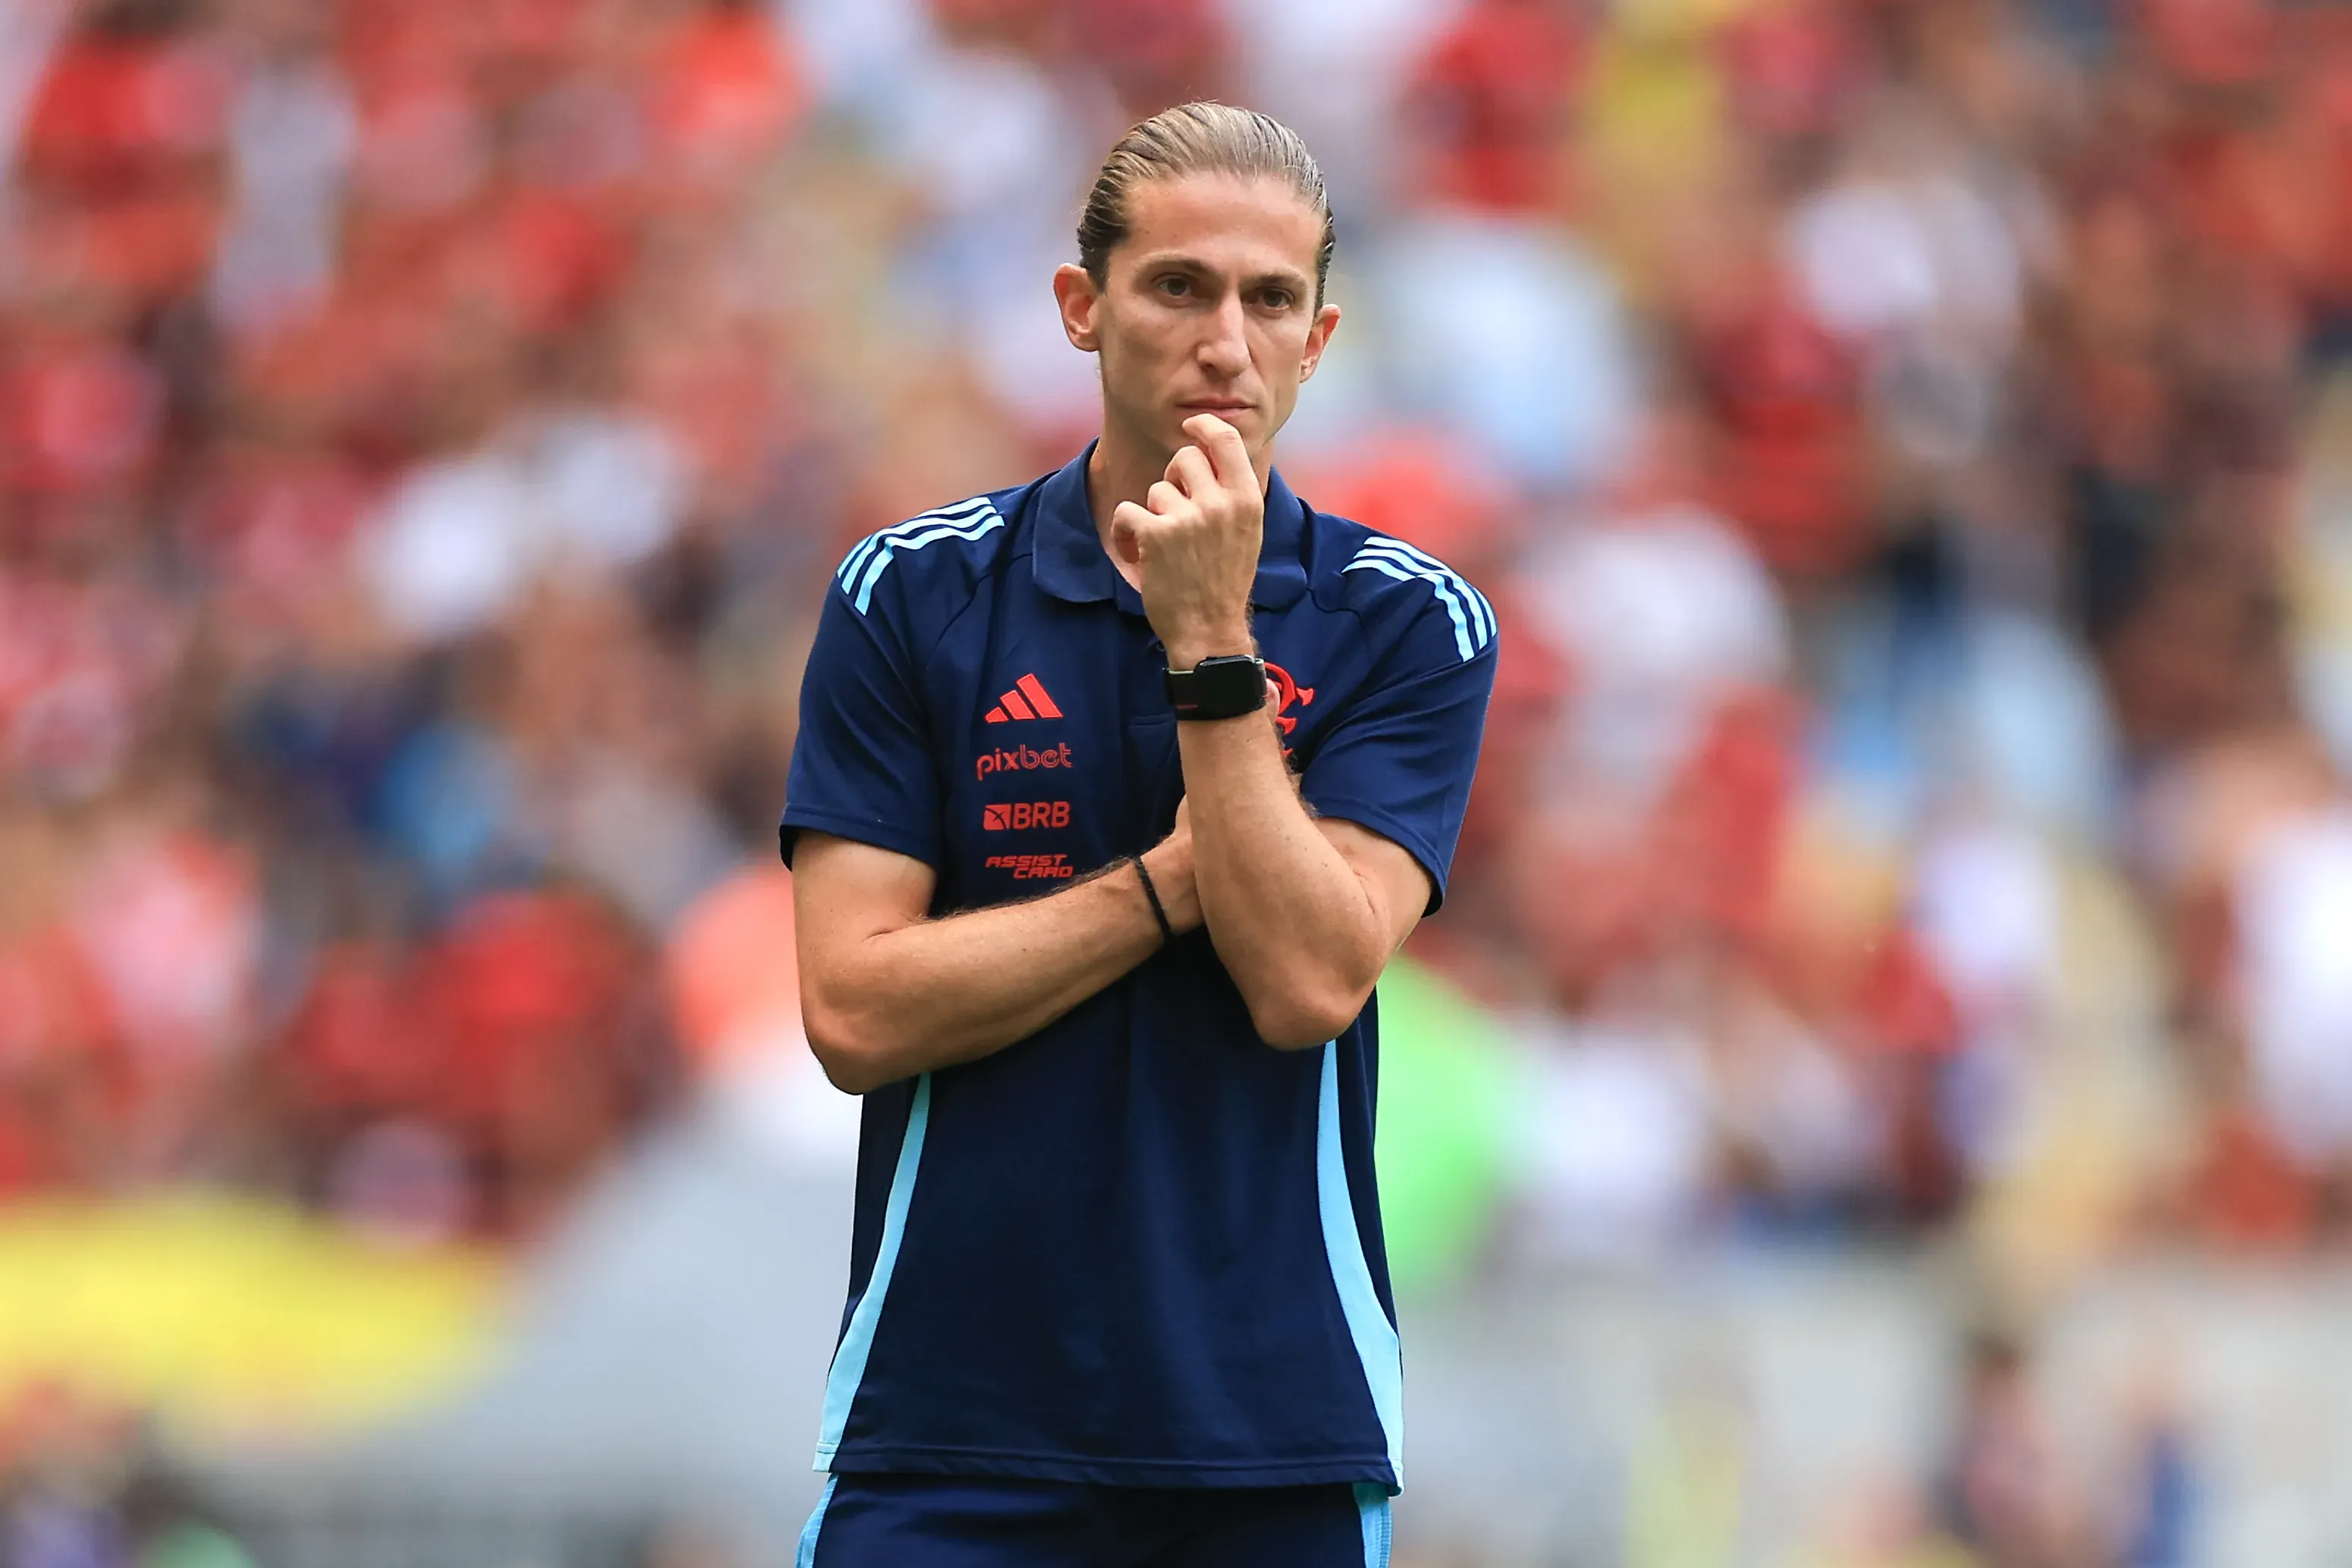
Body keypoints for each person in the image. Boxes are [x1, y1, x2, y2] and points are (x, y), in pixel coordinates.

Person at [780, 102, 1498, 1568]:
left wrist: (1213, 644)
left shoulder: (1406, 622)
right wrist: (1172, 887)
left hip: (1269, 1431)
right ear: (1080, 308)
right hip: (948, 1424)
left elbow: (1307, 983)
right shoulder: (907, 596)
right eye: (1178, 285)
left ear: (1320, 337)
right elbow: (853, 1008)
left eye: (1270, 298)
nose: (1225, 337)